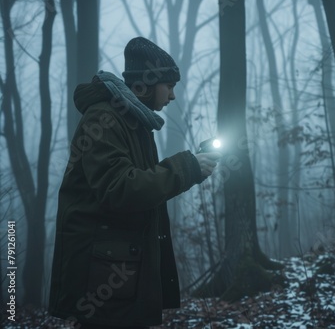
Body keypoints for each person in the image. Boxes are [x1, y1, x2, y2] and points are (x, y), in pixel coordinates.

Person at [49, 37, 221, 328]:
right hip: (101, 280)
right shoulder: (104, 118)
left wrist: (193, 170)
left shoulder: (134, 121)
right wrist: (186, 168)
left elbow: (137, 187)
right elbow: (120, 190)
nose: (172, 96)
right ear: (147, 84)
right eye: (169, 86)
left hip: (117, 271)